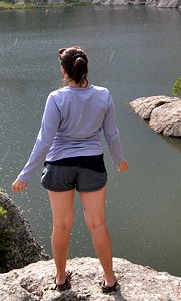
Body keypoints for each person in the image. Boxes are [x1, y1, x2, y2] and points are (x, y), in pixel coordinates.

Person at [12, 46, 129, 293]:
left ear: (64, 71)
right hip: (91, 164)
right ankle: (109, 279)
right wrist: (119, 159)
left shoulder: (56, 98)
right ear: (85, 69)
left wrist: (25, 175)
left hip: (59, 166)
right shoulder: (103, 95)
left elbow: (45, 140)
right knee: (97, 224)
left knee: (61, 225)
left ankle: (61, 278)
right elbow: (112, 133)